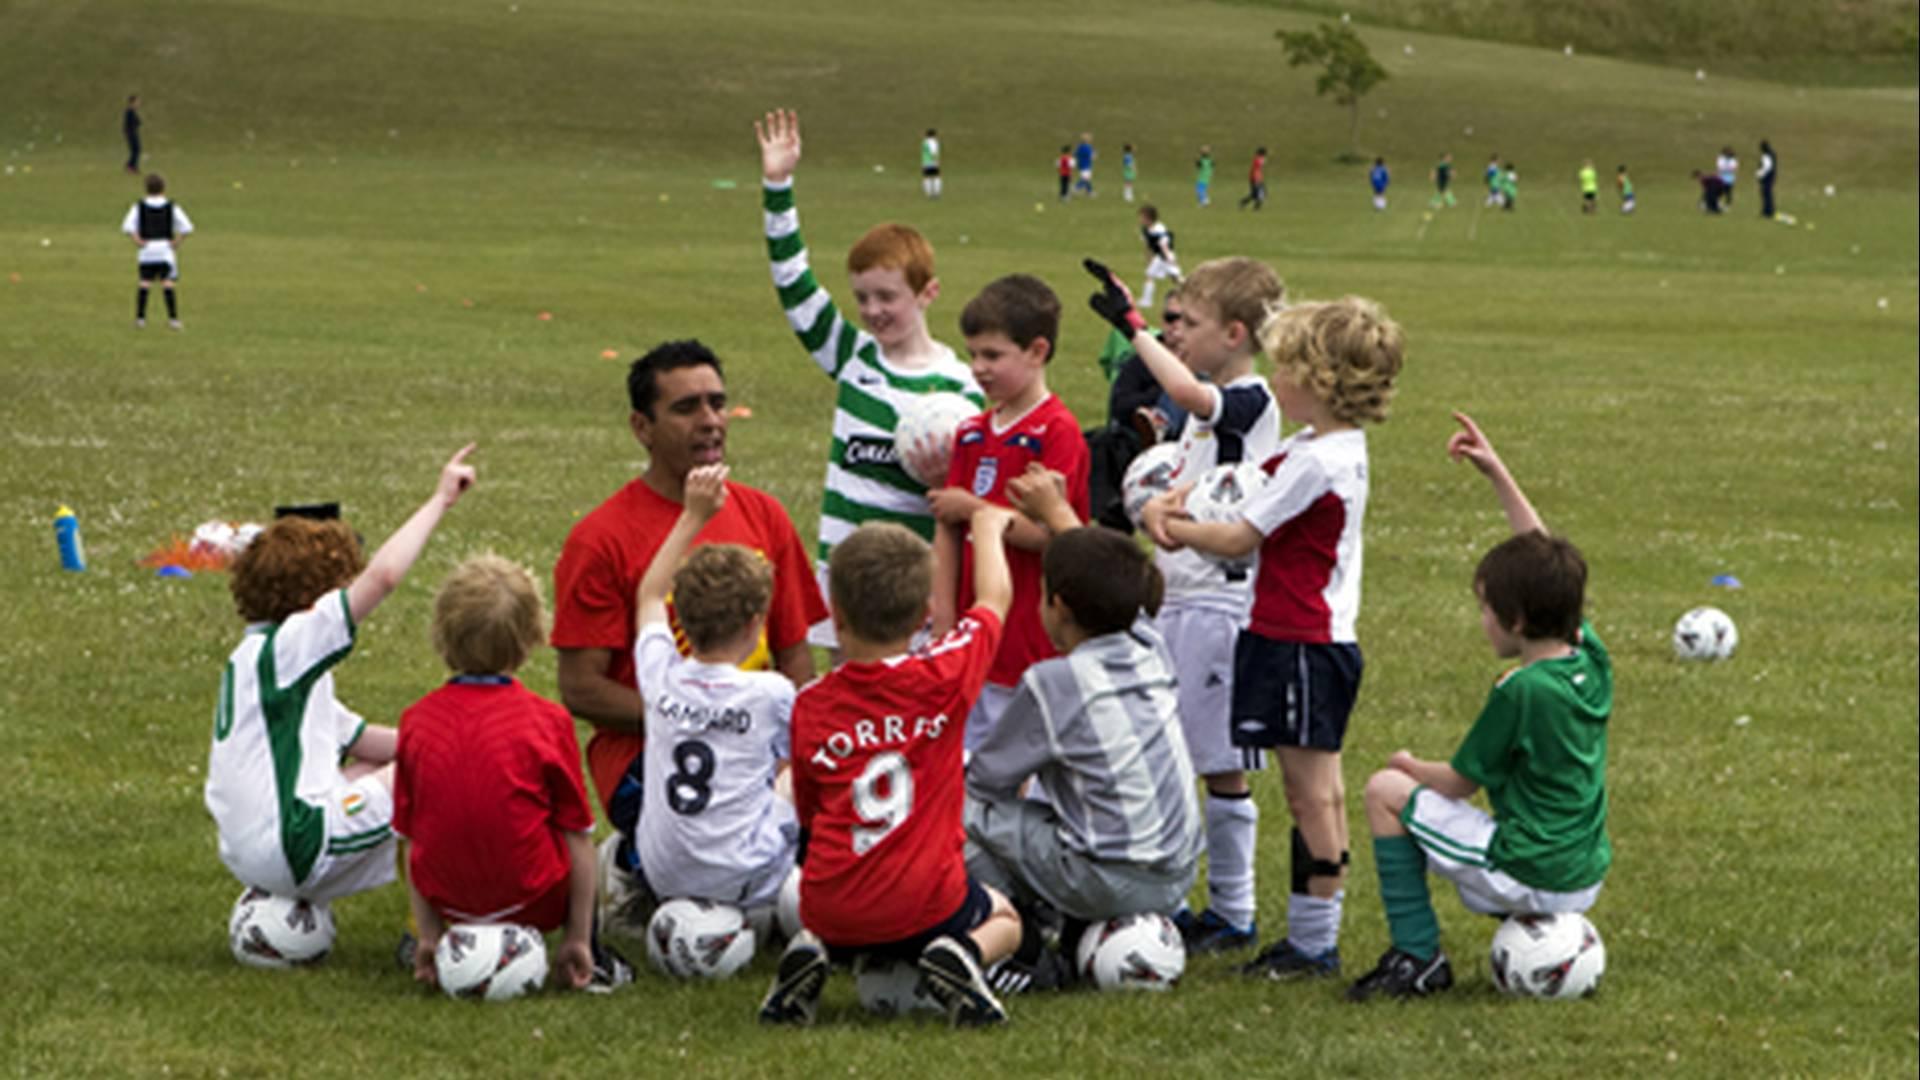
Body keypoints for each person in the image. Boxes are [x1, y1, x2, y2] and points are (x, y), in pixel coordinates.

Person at [1141, 297, 1405, 982]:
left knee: (1311, 795)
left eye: (1288, 365)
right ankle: (1313, 933)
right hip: (1294, 639)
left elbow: (1238, 535)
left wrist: (1172, 529)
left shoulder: (1320, 462)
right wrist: (1180, 494)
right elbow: (1240, 481)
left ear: (1318, 380)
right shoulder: (1316, 446)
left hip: (1299, 643)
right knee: (1316, 791)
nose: (1275, 378)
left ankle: (1315, 945)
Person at [1346, 413, 1611, 1001]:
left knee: (1384, 792)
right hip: (1584, 872)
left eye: (1487, 608)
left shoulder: (1522, 690)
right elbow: (1545, 559)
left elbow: (1459, 784)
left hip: (1531, 869)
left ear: (1515, 620)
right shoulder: (1588, 659)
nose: (1482, 619)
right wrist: (1498, 475)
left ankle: (1415, 956)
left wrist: (1410, 766)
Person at [552, 341, 825, 911]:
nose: (710, 421)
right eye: (686, 408)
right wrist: (698, 717)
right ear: (641, 426)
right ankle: (631, 866)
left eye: (717, 404)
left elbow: (797, 655)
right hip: (648, 759)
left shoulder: (764, 515)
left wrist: (776, 746)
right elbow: (581, 686)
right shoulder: (601, 538)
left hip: (756, 747)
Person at [1084, 255, 1286, 954]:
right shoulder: (1205, 411)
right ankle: (1180, 896)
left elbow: (1191, 394)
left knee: (1218, 764)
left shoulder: (1251, 398)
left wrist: (1133, 326)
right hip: (1179, 600)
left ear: (1235, 334)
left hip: (1219, 611)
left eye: (1190, 325)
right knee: (1173, 756)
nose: (1178, 337)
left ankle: (1234, 911)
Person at [759, 513, 1025, 1027]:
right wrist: (988, 529)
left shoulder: (811, 705)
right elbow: (993, 601)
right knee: (1005, 917)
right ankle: (964, 955)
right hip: (927, 903)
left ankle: (818, 950)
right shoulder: (945, 674)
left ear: (834, 615)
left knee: (834, 897)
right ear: (925, 613)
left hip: (828, 904)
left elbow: (811, 814)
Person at [206, 445, 476, 907]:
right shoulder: (291, 647)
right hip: (291, 849)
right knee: (439, 776)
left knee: (404, 764)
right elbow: (384, 577)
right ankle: (437, 924)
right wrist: (440, 500)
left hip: (250, 853)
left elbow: (364, 742)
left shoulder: (259, 659)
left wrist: (456, 739)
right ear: (314, 595)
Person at [754, 110, 982, 650]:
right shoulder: (853, 356)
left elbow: (969, 506)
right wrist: (777, 186)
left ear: (927, 294)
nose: (873, 311)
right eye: (862, 298)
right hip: (841, 582)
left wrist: (938, 482)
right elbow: (793, 282)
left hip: (911, 593)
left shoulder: (962, 389)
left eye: (888, 297)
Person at [965, 526, 1203, 989]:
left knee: (954, 811)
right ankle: (1066, 923)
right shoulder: (1152, 649)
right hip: (1177, 876)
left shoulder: (1055, 682)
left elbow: (985, 781)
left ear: (1058, 606)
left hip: (1107, 880)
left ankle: (1021, 943)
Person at [396, 553, 627, 993]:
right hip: (535, 902)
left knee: (410, 825)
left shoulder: (416, 721)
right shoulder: (547, 721)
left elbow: (410, 839)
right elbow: (576, 835)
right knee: (581, 835)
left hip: (450, 902)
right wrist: (578, 938)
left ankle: (424, 934)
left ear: (442, 635)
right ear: (531, 640)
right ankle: (593, 949)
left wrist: (429, 935)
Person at [929, 275, 1090, 751]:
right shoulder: (972, 432)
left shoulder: (1056, 432)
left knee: (1022, 768)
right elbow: (948, 528)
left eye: (992, 355)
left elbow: (1055, 535)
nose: (978, 368)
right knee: (966, 766)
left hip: (1027, 638)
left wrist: (975, 508)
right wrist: (943, 624)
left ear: (1037, 351)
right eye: (973, 354)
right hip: (973, 636)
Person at [630, 463, 799, 917]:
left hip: (662, 873)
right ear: (754, 625)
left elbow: (648, 595)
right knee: (796, 773)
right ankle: (794, 895)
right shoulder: (772, 692)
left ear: (678, 619)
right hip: (746, 876)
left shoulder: (658, 673)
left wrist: (692, 517)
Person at [121, 172, 192, 330]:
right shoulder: (171, 206)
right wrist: (176, 242)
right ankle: (173, 319)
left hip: (147, 249)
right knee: (167, 283)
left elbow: (128, 226)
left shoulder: (139, 206)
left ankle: (140, 318)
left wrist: (137, 240)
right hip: (165, 249)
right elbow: (186, 227)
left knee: (145, 283)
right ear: (163, 188)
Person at [1137, 204, 1183, 310]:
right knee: (1150, 275)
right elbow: (1148, 246)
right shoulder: (1146, 230)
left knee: (1176, 279)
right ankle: (1146, 300)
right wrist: (1148, 258)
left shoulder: (1159, 229)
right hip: (1159, 257)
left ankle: (1193, 293)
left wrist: (1171, 259)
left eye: (1142, 217)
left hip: (1165, 257)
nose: (1140, 219)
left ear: (1148, 218)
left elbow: (1164, 245)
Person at [1756, 140, 1777, 219]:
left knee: (1766, 194)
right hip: (1771, 176)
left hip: (1767, 177)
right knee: (1767, 193)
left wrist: (1759, 175)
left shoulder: (1766, 155)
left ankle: (1767, 212)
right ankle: (1769, 210)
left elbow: (1766, 168)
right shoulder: (1772, 154)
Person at [122, 94, 142, 174]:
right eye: (137, 101)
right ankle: (130, 166)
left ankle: (132, 166)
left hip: (134, 133)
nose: (139, 103)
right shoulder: (129, 111)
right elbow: (126, 124)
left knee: (136, 150)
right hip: (131, 134)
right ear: (132, 102)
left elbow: (138, 122)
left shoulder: (133, 111)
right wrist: (128, 133)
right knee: (136, 150)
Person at [1073, 132, 1096, 198]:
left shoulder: (1079, 147)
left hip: (1081, 165)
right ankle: (1076, 187)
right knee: (1085, 179)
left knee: (1087, 179)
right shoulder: (1088, 147)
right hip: (1087, 165)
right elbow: (1092, 157)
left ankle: (1089, 192)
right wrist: (1095, 154)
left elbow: (1075, 154)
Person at [921, 127, 942, 199]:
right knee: (936, 177)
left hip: (925, 162)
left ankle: (928, 194)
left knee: (926, 178)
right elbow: (934, 153)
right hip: (932, 162)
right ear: (934, 135)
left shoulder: (924, 142)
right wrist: (936, 162)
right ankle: (936, 193)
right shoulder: (933, 142)